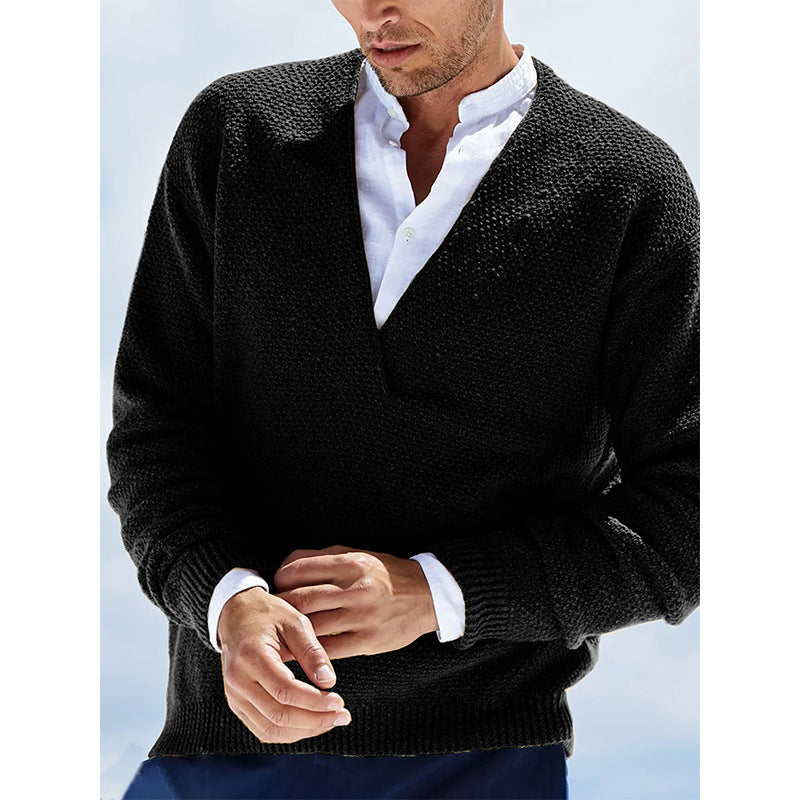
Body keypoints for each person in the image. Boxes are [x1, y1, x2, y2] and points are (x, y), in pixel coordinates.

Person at [106, 0, 700, 797]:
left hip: (485, 766)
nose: (373, 12)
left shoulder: (629, 190)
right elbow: (156, 432)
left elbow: (691, 516)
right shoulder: (237, 133)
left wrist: (437, 593)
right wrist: (227, 600)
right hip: (215, 756)